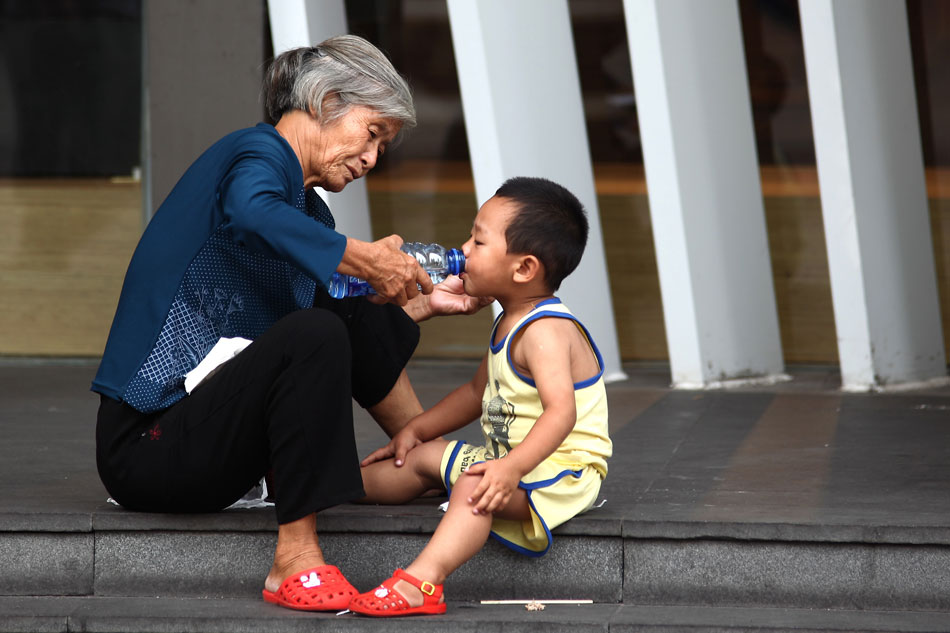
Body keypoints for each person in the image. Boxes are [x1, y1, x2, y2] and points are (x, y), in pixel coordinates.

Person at [91, 35, 487, 613]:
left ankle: (427, 456)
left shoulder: (308, 209)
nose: (373, 158)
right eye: (372, 133)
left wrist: (416, 299)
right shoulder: (257, 153)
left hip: (214, 435)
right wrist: (359, 255)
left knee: (343, 305)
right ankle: (295, 559)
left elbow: (333, 311)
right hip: (147, 448)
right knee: (319, 324)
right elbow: (252, 212)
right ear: (326, 100)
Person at [348, 177, 613, 617]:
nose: (464, 249)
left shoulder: (546, 331)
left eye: (479, 240)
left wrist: (510, 468)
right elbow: (476, 392)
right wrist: (416, 429)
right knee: (420, 456)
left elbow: (561, 412)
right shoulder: (510, 319)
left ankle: (421, 583)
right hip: (511, 464)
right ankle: (331, 485)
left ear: (524, 268)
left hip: (559, 475)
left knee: (472, 485)